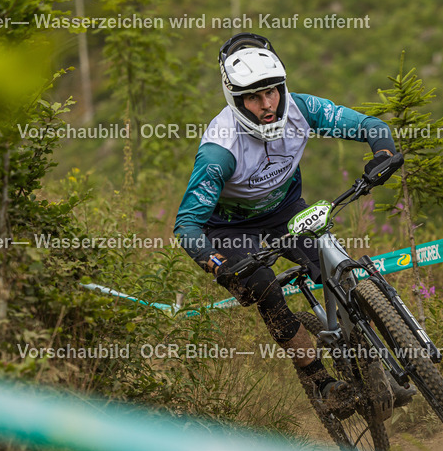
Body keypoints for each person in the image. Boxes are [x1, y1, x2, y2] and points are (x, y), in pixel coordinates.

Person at [174, 32, 413, 412]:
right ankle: (322, 383)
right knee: (263, 287)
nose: (268, 104)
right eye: (254, 97)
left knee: (340, 272)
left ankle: (374, 366)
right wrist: (215, 262)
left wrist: (382, 153)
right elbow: (187, 225)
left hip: (286, 212)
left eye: (271, 92)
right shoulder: (219, 150)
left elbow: (371, 126)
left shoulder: (301, 108)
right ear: (236, 100)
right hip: (230, 228)